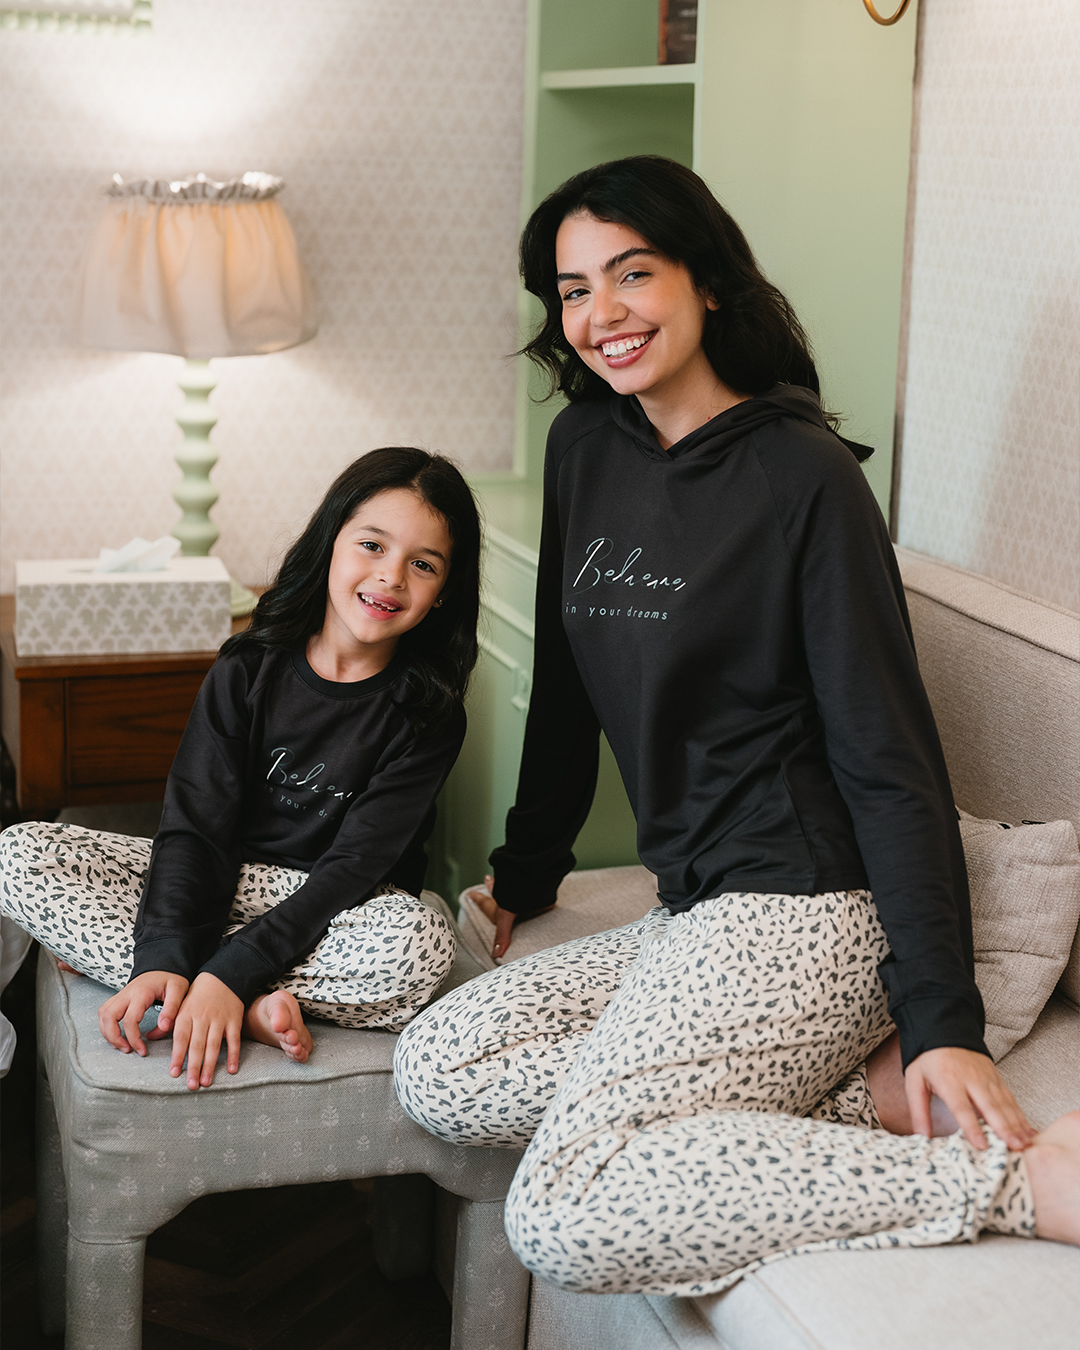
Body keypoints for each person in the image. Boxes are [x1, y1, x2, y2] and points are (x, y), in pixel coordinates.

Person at [393, 157, 1080, 1296]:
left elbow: (889, 758)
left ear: (707, 282)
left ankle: (1014, 1185)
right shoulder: (586, 447)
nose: (601, 314)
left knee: (562, 1211)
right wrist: (526, 872)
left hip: (812, 905)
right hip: (693, 906)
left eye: (632, 274)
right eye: (573, 290)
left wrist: (943, 1018)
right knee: (441, 1065)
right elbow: (566, 683)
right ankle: (854, 1097)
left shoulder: (804, 476)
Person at [0, 447, 481, 1092]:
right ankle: (220, 993)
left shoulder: (429, 714)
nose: (391, 575)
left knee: (422, 943)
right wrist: (166, 950)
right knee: (18, 852)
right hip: (221, 879)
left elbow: (353, 869)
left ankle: (208, 985)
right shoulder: (247, 667)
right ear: (330, 543)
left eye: (423, 564)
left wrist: (234, 965)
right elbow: (197, 825)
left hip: (334, 909)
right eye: (372, 545)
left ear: (444, 592)